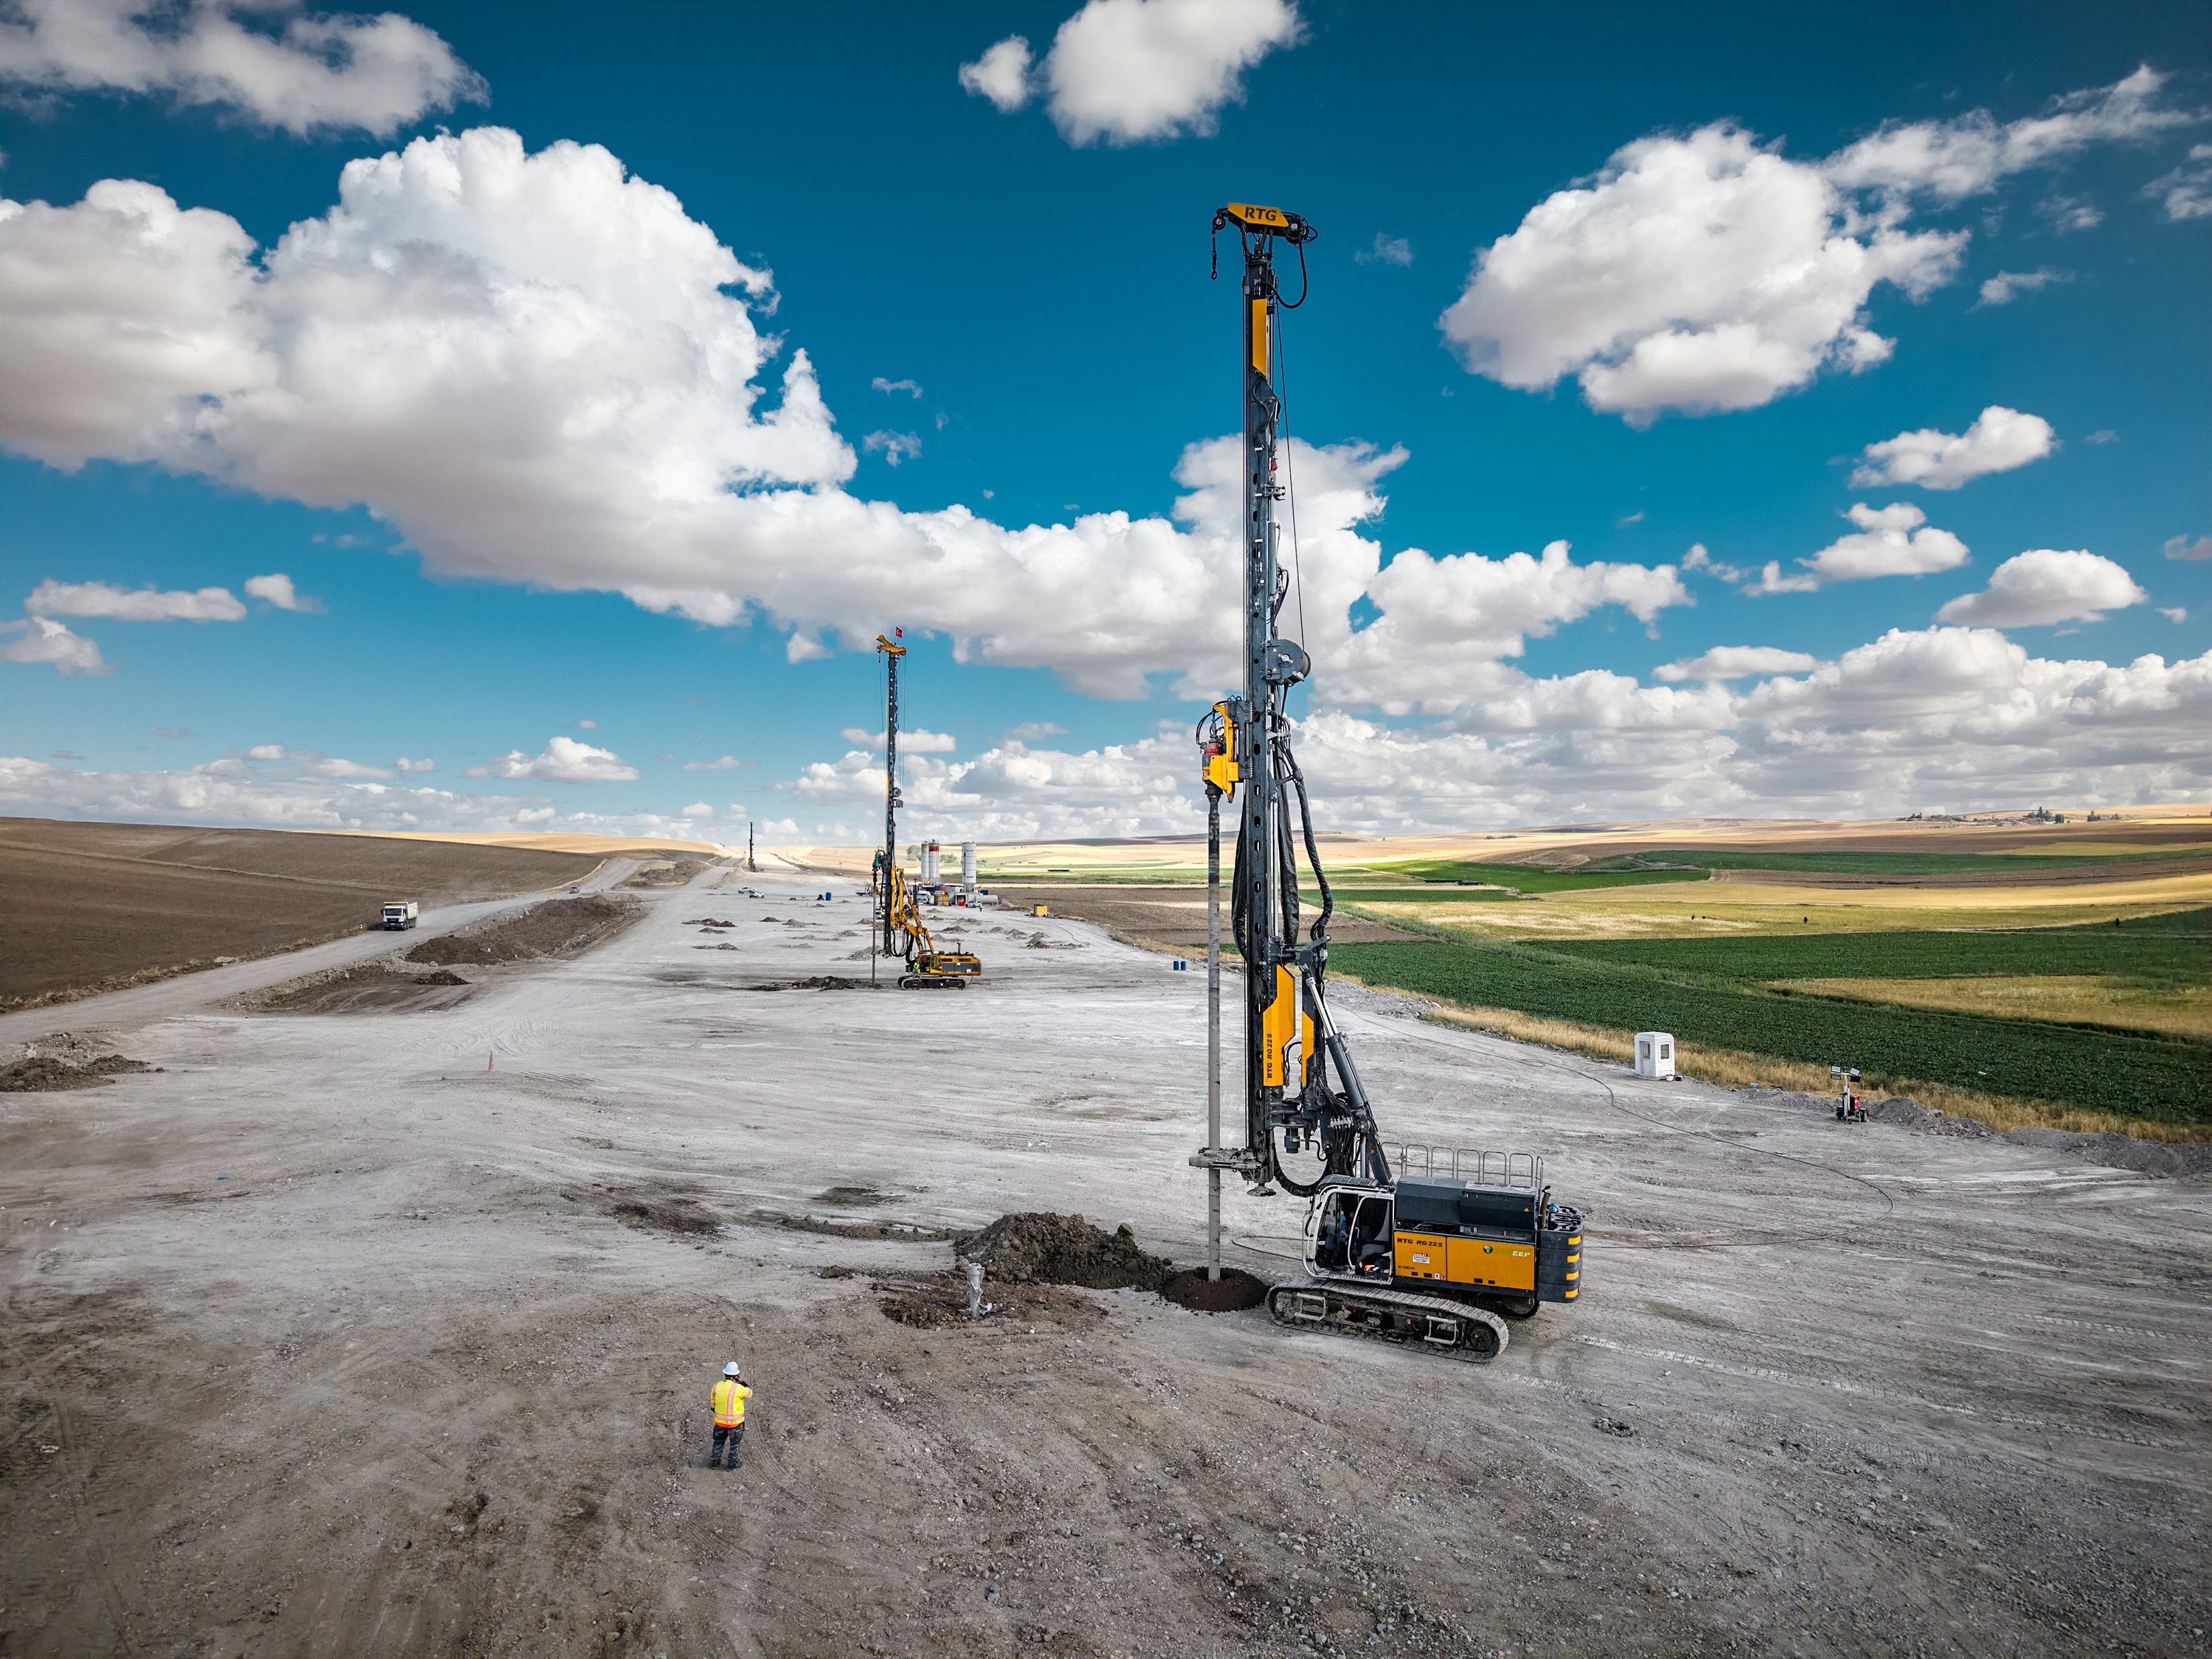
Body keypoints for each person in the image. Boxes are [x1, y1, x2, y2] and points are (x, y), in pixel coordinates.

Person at [710, 1363, 751, 1469]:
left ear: (725, 1374)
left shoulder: (716, 1387)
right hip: (734, 1424)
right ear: (736, 1376)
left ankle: (715, 1462)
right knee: (734, 1445)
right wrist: (742, 1382)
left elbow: (712, 1406)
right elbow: (749, 1393)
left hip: (720, 1423)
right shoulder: (738, 1388)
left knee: (718, 1442)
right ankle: (732, 1463)